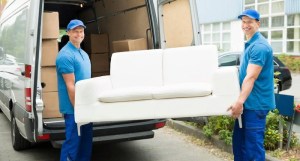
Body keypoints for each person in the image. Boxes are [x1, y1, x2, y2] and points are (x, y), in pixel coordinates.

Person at [229, 9, 275, 161]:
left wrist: (239, 102)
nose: (245, 25)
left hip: (255, 105)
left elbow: (251, 77)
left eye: (249, 21)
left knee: (252, 149)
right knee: (240, 146)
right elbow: (244, 72)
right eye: (243, 21)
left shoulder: (259, 47)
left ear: (258, 23)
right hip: (248, 105)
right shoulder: (250, 44)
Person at [56, 19, 93, 161]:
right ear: (69, 33)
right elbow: (70, 85)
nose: (79, 34)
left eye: (81, 31)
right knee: (73, 144)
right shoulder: (65, 55)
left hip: (86, 107)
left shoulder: (83, 54)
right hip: (74, 109)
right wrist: (78, 108)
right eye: (75, 31)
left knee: (85, 143)